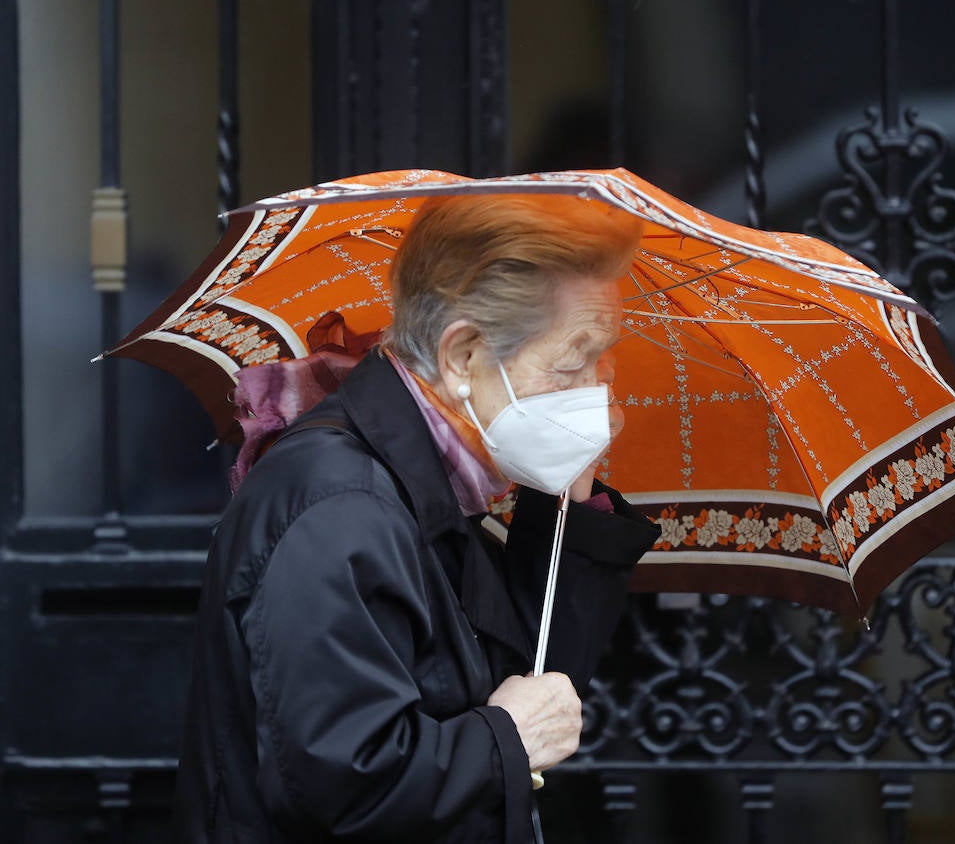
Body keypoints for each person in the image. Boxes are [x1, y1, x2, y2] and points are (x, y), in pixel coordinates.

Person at [173, 194, 659, 843]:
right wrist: (503, 741)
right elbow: (335, 785)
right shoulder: (340, 505)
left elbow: (522, 674)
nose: (597, 390)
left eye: (602, 361)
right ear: (462, 358)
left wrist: (572, 493)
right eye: (573, 363)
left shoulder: (429, 478)